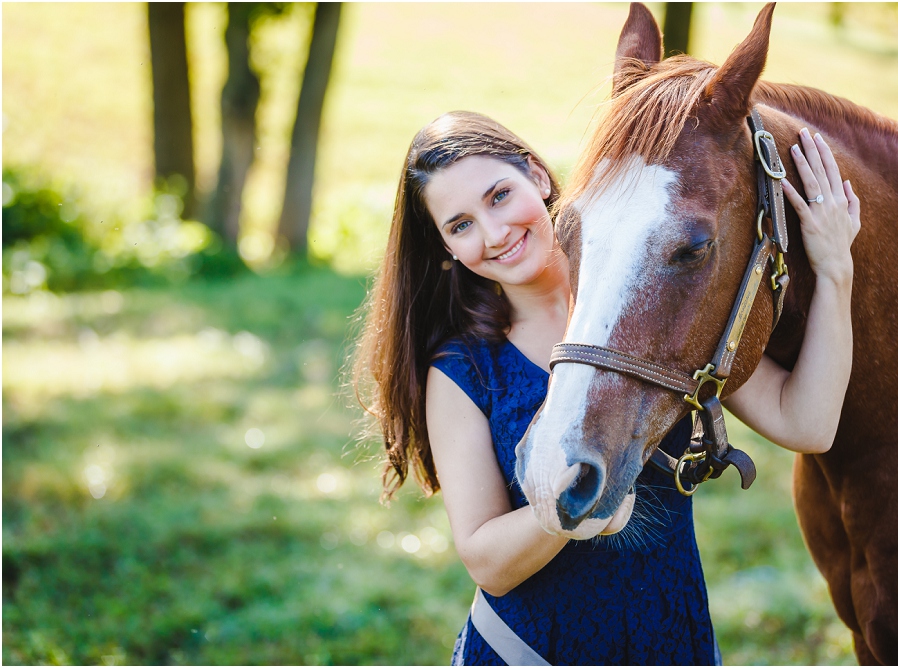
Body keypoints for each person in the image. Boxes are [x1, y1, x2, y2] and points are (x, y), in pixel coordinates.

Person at [354, 111, 861, 665]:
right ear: (447, 248)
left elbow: (806, 422)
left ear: (537, 176)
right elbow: (485, 562)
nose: (494, 234)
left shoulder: (645, 299)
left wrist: (836, 269)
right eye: (460, 225)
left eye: (499, 196)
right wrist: (571, 509)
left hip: (675, 645)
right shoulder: (463, 368)